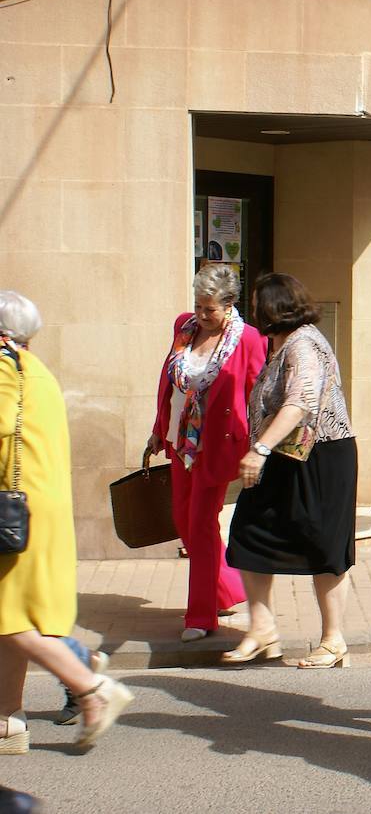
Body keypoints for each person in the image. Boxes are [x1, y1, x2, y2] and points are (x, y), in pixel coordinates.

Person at [0, 293, 134, 752]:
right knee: (13, 616)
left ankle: (92, 688)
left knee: (9, 618)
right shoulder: (33, 368)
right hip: (36, 508)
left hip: (13, 512)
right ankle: (8, 721)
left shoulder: (2, 366)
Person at [223, 273, 358, 669]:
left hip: (321, 458)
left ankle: (333, 641)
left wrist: (260, 449)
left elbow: (301, 402)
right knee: (249, 532)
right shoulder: (278, 344)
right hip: (283, 456)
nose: (252, 309)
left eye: (256, 302)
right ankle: (262, 629)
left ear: (273, 307)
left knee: (324, 547)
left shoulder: (304, 343)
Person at [145, 264, 266, 642]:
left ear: (229, 304)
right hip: (180, 441)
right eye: (198, 305)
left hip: (218, 446)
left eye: (209, 309)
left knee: (199, 524)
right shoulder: (184, 327)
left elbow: (257, 396)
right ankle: (228, 588)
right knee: (184, 521)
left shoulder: (248, 339)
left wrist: (259, 448)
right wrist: (156, 430)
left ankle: (200, 616)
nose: (201, 315)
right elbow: (168, 385)